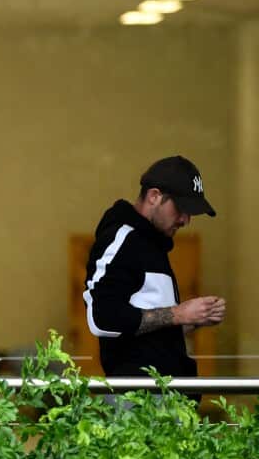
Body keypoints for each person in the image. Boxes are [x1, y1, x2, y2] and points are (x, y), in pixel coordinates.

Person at [83, 156, 225, 382]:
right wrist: (178, 313)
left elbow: (146, 335)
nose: (185, 220)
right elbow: (103, 317)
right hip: (138, 402)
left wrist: (192, 319)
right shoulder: (123, 239)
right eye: (181, 208)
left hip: (165, 398)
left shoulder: (152, 244)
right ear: (154, 196)